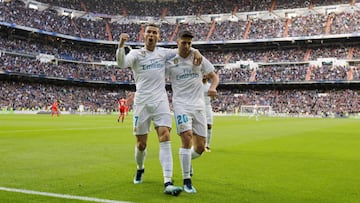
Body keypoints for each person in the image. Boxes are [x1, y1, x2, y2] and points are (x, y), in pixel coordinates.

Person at [116, 24, 202, 196]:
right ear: (144, 35)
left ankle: (167, 181)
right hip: (142, 103)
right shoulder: (135, 54)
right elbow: (121, 63)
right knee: (141, 144)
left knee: (165, 135)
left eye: (155, 32)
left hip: (160, 101)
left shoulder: (163, 53)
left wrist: (196, 51)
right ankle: (140, 168)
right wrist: (121, 46)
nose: (151, 35)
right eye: (149, 32)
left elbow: (183, 49)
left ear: (158, 36)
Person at [166, 30, 219, 193]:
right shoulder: (169, 60)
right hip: (181, 104)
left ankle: (186, 160)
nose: (187, 46)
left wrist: (212, 87)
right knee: (187, 138)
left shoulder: (198, 58)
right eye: (184, 42)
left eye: (190, 43)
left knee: (200, 148)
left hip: (199, 106)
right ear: (177, 42)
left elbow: (214, 76)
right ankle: (186, 180)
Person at [202, 74, 214, 152]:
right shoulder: (197, 85)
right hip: (198, 106)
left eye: (205, 74)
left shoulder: (210, 86)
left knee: (209, 125)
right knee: (198, 126)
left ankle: (207, 145)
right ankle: (197, 144)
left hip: (207, 106)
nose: (204, 75)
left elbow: (214, 96)